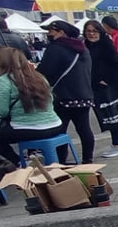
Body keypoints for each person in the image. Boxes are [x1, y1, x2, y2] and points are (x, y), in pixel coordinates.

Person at [0, 47, 64, 166]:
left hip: (29, 129)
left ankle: (20, 162)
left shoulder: (4, 80)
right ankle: (33, 156)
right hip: (55, 125)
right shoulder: (39, 77)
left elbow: (2, 112)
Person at [38, 21, 95, 163]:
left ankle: (60, 161)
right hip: (84, 95)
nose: (48, 34)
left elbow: (44, 71)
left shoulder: (56, 48)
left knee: (59, 131)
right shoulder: (83, 48)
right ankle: (88, 159)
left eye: (51, 31)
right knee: (84, 129)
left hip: (63, 96)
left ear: (61, 32)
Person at [83, 21, 118, 158]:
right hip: (96, 85)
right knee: (114, 114)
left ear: (100, 31)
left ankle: (117, 145)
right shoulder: (86, 46)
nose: (91, 34)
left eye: (94, 31)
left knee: (112, 114)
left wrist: (106, 80)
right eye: (88, 31)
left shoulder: (105, 44)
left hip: (107, 86)